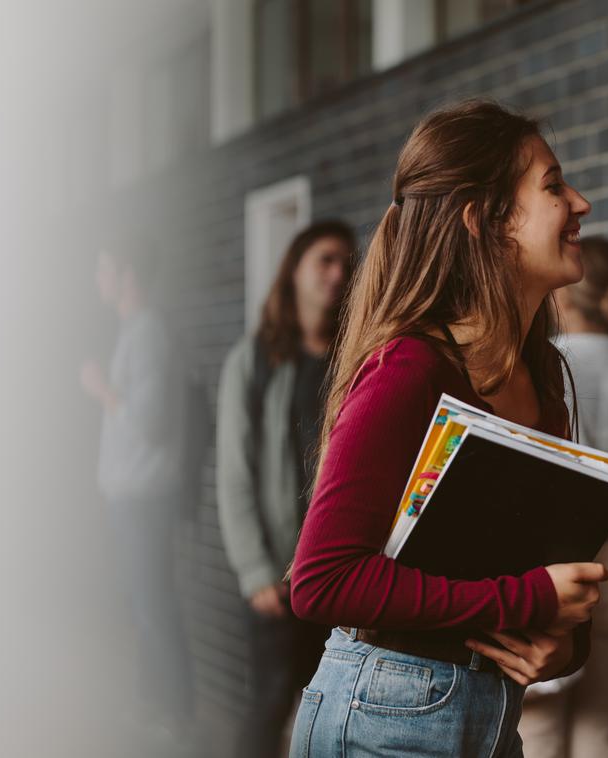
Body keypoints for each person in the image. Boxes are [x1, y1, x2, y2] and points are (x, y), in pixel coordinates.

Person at [287, 99, 608, 758]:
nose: (580, 203)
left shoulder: (542, 377)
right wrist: (524, 598)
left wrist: (560, 645)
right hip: (383, 713)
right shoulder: (409, 368)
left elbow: (525, 580)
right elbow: (322, 580)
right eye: (552, 186)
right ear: (485, 222)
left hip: (487, 716)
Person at [216, 220, 355, 758]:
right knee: (270, 706)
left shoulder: (355, 359)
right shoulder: (253, 362)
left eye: (346, 262)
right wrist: (253, 571)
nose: (338, 273)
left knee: (329, 716)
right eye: (324, 259)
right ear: (294, 268)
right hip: (275, 576)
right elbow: (234, 473)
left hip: (337, 572)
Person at [518, 236, 608, 758]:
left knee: (540, 728)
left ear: (564, 295)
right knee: (603, 726)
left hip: (565, 566)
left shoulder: (552, 367)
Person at [80, 235, 195, 742]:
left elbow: (148, 422)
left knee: (154, 606)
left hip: (144, 498)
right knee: (146, 605)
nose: (98, 279)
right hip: (133, 497)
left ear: (126, 273)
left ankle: (172, 715)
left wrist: (101, 388)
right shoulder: (136, 330)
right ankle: (157, 710)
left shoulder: (147, 333)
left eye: (104, 268)